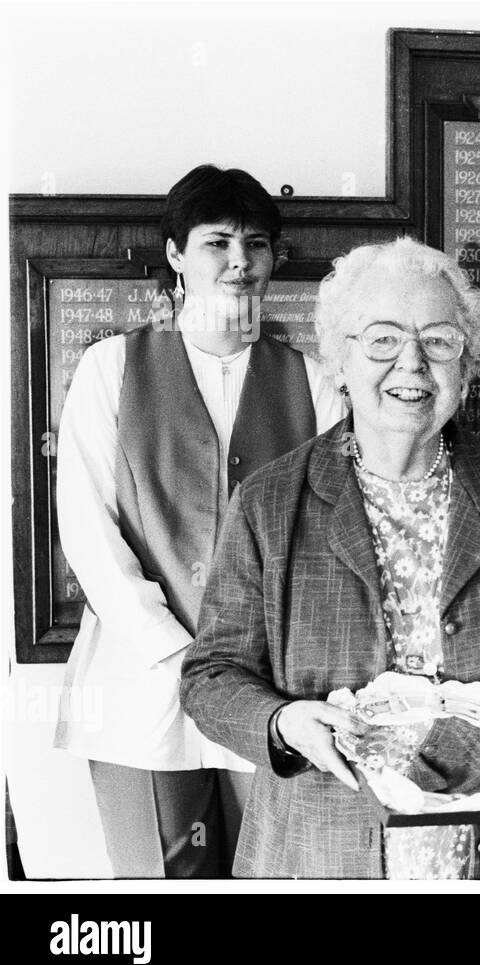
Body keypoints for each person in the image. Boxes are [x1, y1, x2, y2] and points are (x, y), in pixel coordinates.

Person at [179, 237, 480, 878]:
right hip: (323, 849)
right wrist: (284, 721)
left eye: (439, 341)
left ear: (466, 365)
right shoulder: (269, 503)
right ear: (339, 359)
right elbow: (210, 676)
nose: (412, 363)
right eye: (382, 339)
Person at [55, 164, 346, 877]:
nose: (240, 261)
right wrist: (173, 649)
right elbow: (89, 529)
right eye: (217, 242)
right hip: (140, 682)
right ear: (177, 255)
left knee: (279, 873)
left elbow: (334, 541)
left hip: (272, 688)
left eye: (257, 243)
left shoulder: (312, 382)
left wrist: (251, 674)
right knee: (160, 883)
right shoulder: (110, 368)